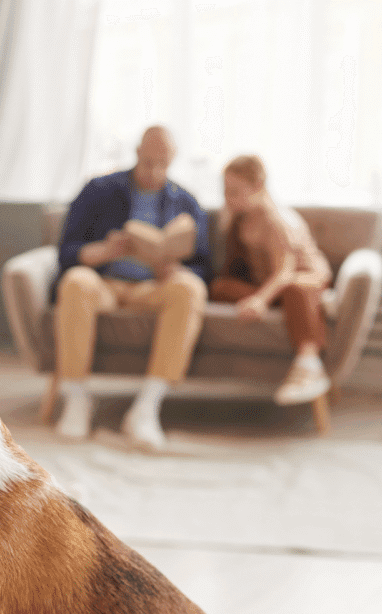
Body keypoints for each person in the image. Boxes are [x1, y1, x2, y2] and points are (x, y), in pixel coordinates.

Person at [52, 125, 211, 452]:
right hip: (105, 284)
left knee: (190, 288)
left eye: (162, 164)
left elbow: (206, 267)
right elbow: (66, 252)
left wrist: (176, 267)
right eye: (148, 161)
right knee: (76, 282)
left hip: (154, 289)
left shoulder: (186, 202)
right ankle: (78, 397)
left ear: (173, 161)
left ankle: (147, 407)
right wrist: (103, 251)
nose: (154, 171)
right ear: (137, 153)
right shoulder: (99, 189)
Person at [212, 155, 333, 405]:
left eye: (235, 191)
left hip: (299, 280)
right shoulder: (240, 218)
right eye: (225, 191)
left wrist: (259, 300)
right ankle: (284, 304)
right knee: (220, 288)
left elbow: (284, 272)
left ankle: (308, 363)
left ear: (258, 187)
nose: (228, 198)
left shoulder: (276, 221)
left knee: (294, 288)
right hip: (269, 284)